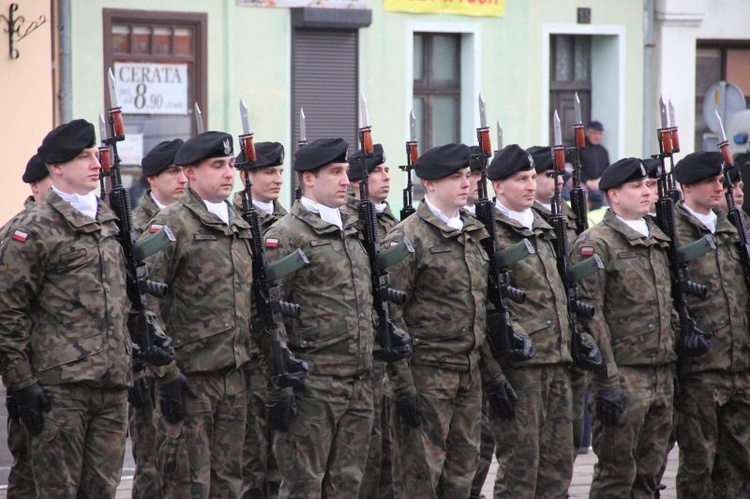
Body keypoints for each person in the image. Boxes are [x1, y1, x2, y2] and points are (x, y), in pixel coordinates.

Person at [0, 119, 133, 497]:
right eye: (84, 157)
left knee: (102, 490)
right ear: (56, 167)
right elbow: (8, 313)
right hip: (60, 389)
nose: (96, 164)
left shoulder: (108, 222)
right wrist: (21, 383)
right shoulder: (34, 228)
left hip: (111, 385)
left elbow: (122, 300)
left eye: (95, 155)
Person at [383, 143, 511, 497]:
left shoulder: (473, 231)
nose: (465, 183)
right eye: (455, 177)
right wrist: (402, 386)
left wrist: (492, 374)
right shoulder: (407, 238)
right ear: (430, 184)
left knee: (462, 474)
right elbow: (390, 315)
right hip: (427, 376)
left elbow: (480, 309)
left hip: (467, 374)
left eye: (467, 175)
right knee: (420, 477)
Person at [263, 138, 376, 498]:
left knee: (347, 484)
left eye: (346, 172)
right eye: (335, 172)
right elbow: (269, 314)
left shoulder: (354, 229)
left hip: (358, 381)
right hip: (313, 385)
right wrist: (281, 385)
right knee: (304, 486)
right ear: (309, 178)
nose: (346, 180)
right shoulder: (287, 235)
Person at [145, 131, 253, 498]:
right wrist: (167, 374)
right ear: (190, 173)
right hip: (190, 378)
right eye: (217, 165)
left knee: (230, 483)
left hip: (234, 377)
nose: (228, 173)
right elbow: (144, 304)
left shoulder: (239, 224)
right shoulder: (171, 225)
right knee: (189, 484)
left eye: (230, 165)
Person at [572, 157, 677, 498]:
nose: (647, 192)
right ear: (614, 195)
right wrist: (607, 379)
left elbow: (668, 302)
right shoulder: (596, 243)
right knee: (616, 476)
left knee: (650, 475)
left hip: (661, 372)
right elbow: (591, 315)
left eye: (648, 185)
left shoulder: (658, 238)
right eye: (637, 186)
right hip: (623, 375)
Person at [486, 144, 575, 497]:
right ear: (497, 186)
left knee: (558, 468)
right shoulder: (486, 231)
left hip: (558, 360)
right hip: (521, 367)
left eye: (532, 177)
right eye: (521, 179)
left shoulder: (545, 227)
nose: (530, 185)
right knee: (521, 468)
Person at [671, 151, 750, 498]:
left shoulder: (733, 225)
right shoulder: (669, 230)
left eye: (721, 181)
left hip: (739, 363)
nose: (720, 187)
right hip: (699, 367)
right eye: (711, 182)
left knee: (741, 460)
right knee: (699, 463)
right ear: (687, 187)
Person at [339, 142, 400, 499]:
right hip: (363, 350)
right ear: (358, 181)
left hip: (390, 347)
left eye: (387, 170)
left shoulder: (390, 219)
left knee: (389, 447)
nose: (386, 176)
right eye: (378, 171)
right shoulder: (350, 220)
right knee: (365, 453)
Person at [128, 138, 186, 499]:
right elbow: (132, 301)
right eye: (171, 172)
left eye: (184, 171)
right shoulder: (134, 227)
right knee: (151, 466)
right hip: (149, 365)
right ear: (151, 179)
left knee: (186, 468)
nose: (181, 178)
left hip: (186, 358)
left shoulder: (190, 221)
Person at [232, 141, 288, 499]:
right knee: (249, 460)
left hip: (282, 354)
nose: (277, 178)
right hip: (247, 357)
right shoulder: (233, 220)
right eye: (269, 171)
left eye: (281, 171)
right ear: (245, 177)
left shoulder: (290, 220)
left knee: (281, 461)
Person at [0, 152, 54, 498]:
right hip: (35, 372)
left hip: (65, 373)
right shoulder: (22, 232)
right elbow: (9, 311)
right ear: (35, 187)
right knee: (31, 475)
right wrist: (20, 381)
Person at [578, 121, 610, 211]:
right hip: (583, 184)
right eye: (595, 133)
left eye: (600, 134)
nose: (597, 136)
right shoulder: (580, 149)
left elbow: (607, 170)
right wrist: (587, 182)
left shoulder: (603, 151)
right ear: (588, 133)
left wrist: (599, 181)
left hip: (599, 185)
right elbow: (577, 168)